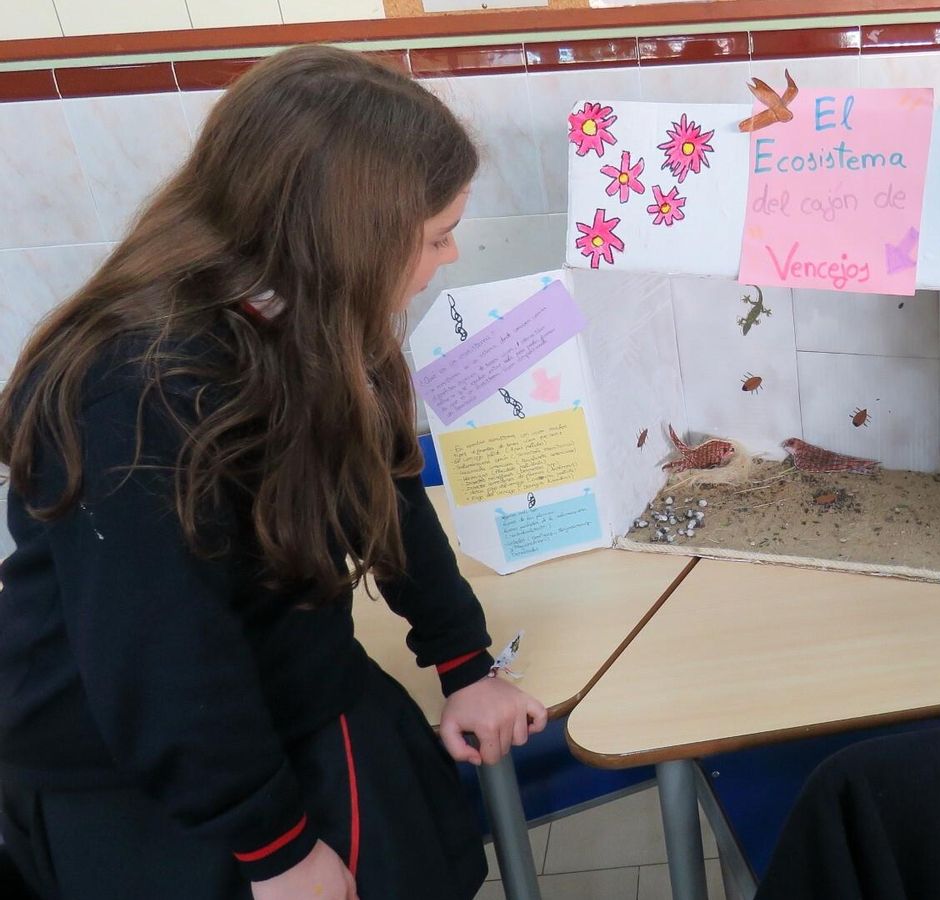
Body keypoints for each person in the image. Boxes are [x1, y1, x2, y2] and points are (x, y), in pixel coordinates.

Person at [0, 45, 547, 900]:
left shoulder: (317, 319)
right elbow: (162, 655)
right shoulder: (134, 387)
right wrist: (278, 849)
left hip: (285, 682)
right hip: (139, 764)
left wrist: (464, 664)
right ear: (343, 241)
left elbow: (388, 489)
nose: (450, 254)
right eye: (436, 236)